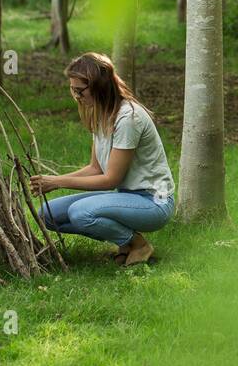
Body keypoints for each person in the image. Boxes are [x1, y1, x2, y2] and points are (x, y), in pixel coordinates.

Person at [29, 52, 175, 265]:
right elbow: (95, 168)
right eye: (73, 90)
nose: (77, 96)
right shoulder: (100, 114)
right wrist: (53, 180)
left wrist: (57, 182)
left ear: (100, 86)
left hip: (154, 201)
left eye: (80, 91)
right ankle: (124, 241)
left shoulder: (128, 118)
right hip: (128, 197)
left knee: (80, 213)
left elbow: (110, 180)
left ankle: (138, 244)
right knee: (47, 214)